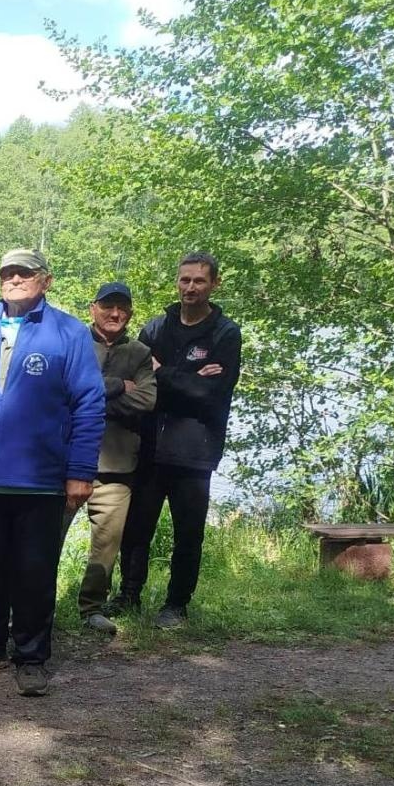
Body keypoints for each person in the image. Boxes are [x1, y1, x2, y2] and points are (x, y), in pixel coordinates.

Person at [0, 248, 105, 696]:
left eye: (24, 273)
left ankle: (31, 657)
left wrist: (80, 470)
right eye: (7, 272)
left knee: (34, 570)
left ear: (45, 280)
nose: (14, 279)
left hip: (41, 477)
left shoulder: (67, 332)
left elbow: (89, 404)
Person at [117, 252, 242, 628]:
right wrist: (189, 377)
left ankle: (176, 605)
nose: (190, 288)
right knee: (137, 527)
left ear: (214, 284)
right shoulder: (155, 329)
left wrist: (164, 374)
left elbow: (211, 396)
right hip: (151, 445)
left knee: (188, 533)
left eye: (199, 281)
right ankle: (128, 596)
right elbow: (138, 389)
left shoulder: (224, 333)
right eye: (184, 280)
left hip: (195, 450)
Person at [63, 282, 156, 634]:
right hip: (67, 464)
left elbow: (146, 401)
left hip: (118, 466)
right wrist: (118, 386)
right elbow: (64, 395)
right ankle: (33, 605)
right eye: (107, 307)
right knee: (44, 542)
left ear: (130, 312)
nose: (115, 314)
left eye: (122, 308)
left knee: (105, 547)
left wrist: (89, 396)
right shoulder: (73, 343)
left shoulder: (140, 353)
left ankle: (91, 608)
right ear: (93, 309)